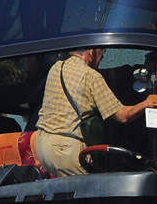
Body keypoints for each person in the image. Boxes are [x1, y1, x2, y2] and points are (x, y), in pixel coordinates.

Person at [33, 48, 150, 177]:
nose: (103, 57)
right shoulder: (91, 76)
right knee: (93, 192)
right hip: (65, 149)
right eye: (102, 52)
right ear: (92, 51)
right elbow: (122, 116)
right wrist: (147, 103)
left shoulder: (56, 68)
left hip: (42, 147)